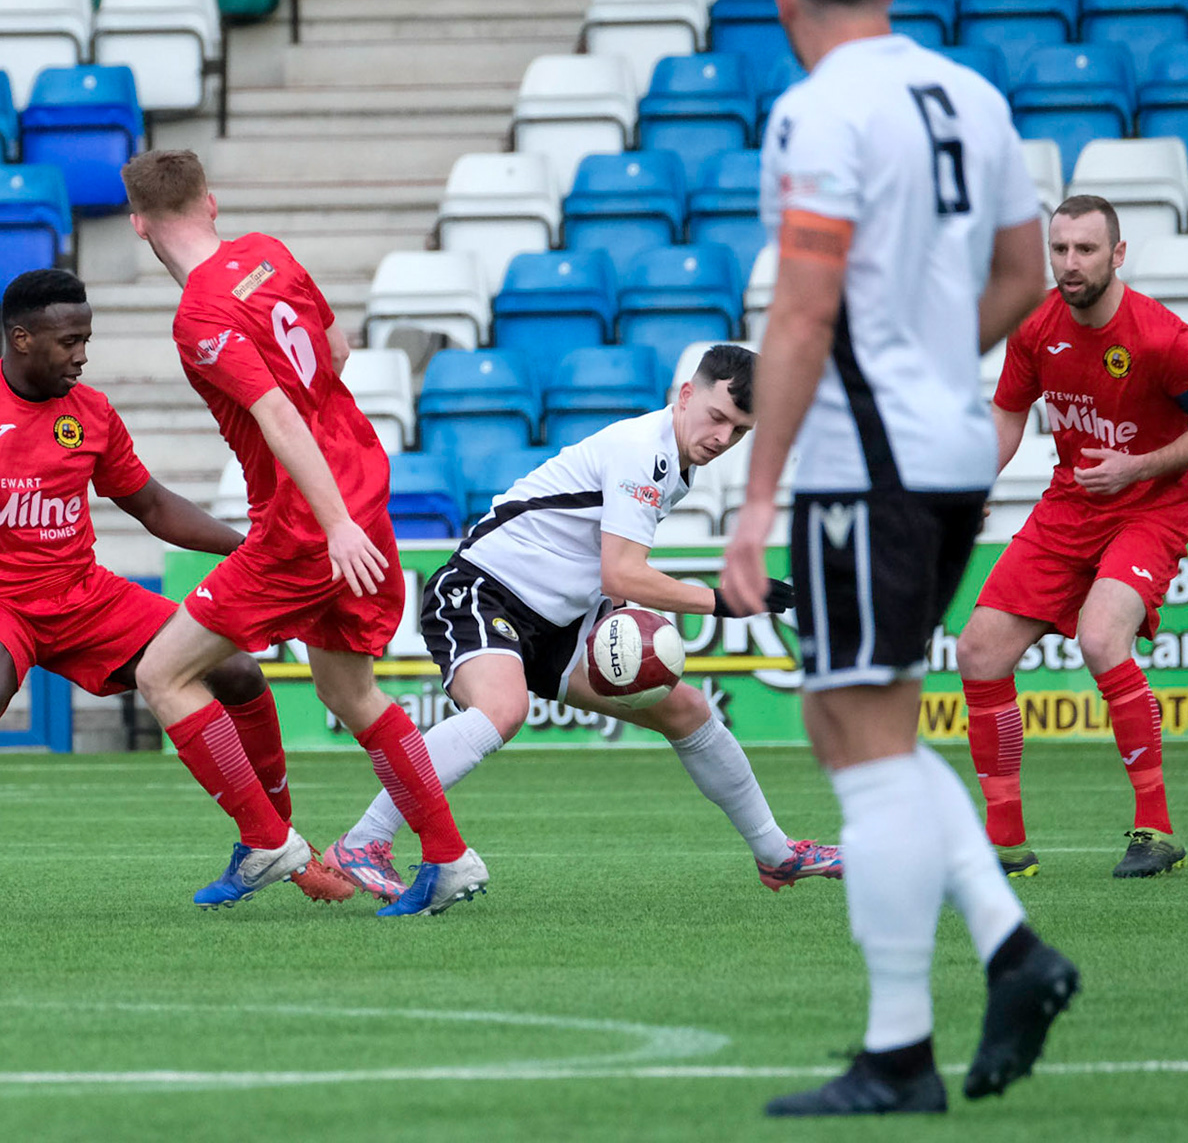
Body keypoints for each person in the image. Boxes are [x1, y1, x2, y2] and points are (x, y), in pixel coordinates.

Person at [720, 0, 1078, 1116]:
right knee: (852, 725)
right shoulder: (972, 94)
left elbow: (806, 306)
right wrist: (927, 356)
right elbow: (1026, 274)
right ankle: (1010, 951)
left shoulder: (818, 111)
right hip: (945, 453)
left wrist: (756, 497)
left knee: (864, 755)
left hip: (856, 469)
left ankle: (899, 1049)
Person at [0, 269, 354, 921]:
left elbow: (155, 506)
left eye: (87, 339)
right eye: (68, 341)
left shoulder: (92, 414)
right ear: (20, 339)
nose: (81, 354)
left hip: (86, 597)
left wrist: (250, 547)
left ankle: (274, 842)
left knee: (239, 671)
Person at [326, 345, 844, 901]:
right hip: (485, 589)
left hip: (559, 619)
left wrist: (612, 617)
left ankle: (777, 856)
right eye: (718, 418)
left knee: (688, 710)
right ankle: (365, 840)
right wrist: (722, 601)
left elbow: (601, 563)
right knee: (502, 710)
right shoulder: (643, 451)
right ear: (686, 395)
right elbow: (623, 573)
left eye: (739, 431)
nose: (723, 438)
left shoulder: (674, 462)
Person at [121, 147, 487, 918]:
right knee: (350, 691)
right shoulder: (267, 253)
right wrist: (346, 511)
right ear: (211, 204)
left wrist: (331, 524)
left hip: (305, 522)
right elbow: (338, 350)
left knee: (162, 675)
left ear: (138, 225)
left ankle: (267, 838)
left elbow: (278, 415)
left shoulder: (198, 317)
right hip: (359, 479)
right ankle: (448, 857)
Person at [959, 195, 1188, 881]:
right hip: (1070, 506)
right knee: (978, 650)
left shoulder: (1162, 338)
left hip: (1149, 509)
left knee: (1099, 636)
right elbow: (1006, 418)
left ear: (1117, 256)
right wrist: (969, 493)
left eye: (1085, 250)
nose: (1070, 263)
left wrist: (1138, 466)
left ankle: (1157, 829)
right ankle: (1007, 848)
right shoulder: (1037, 329)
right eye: (1060, 249)